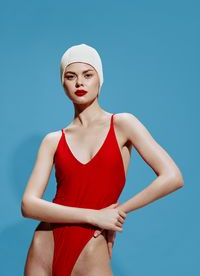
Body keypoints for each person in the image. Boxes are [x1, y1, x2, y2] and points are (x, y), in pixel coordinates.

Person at [21, 43, 184, 276]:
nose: (79, 83)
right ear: (63, 83)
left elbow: (173, 177)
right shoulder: (53, 140)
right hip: (45, 245)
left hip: (90, 249)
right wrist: (94, 216)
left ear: (100, 79)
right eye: (70, 76)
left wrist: (117, 213)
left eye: (88, 75)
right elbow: (28, 205)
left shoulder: (122, 124)